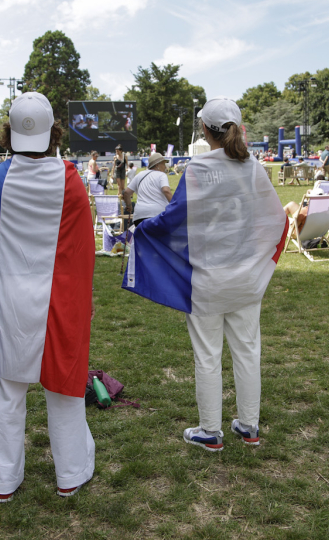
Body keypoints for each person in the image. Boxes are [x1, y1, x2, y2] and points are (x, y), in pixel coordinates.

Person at [122, 97, 288, 452]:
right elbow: (276, 218)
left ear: (204, 130)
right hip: (246, 278)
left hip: (208, 279)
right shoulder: (254, 167)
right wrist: (260, 260)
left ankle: (211, 431)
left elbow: (172, 219)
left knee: (208, 356)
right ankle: (249, 426)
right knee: (247, 351)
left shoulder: (197, 170)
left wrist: (142, 231)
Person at [0, 92, 95, 502]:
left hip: (5, 302)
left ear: (8, 134)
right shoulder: (71, 183)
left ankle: (2, 482)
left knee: (4, 391)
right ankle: (70, 475)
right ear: (55, 133)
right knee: (65, 390)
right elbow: (83, 250)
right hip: (58, 300)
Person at [123, 152, 172, 226]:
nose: (165, 167)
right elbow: (166, 190)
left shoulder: (140, 175)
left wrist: (129, 206)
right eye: (163, 164)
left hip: (139, 216)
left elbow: (126, 193)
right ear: (157, 165)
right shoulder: (161, 175)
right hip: (158, 215)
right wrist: (174, 205)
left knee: (143, 237)